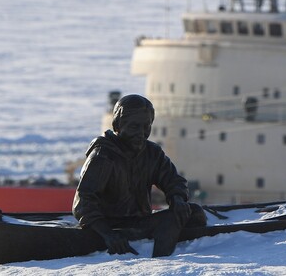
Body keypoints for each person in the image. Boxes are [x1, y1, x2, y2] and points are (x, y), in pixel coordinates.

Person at [73, 94, 206, 257]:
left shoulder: (152, 153)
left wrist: (177, 198)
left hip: (140, 222)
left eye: (146, 126)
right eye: (135, 126)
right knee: (171, 220)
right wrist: (108, 234)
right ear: (119, 125)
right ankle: (161, 262)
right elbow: (83, 202)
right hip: (110, 225)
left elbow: (173, 180)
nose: (142, 133)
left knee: (194, 212)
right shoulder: (103, 156)